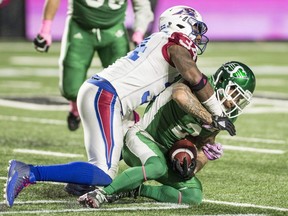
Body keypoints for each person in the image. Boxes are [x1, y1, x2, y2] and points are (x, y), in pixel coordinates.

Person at [4, 6, 235, 207]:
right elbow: (195, 77)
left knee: (136, 137)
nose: (197, 37)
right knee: (105, 172)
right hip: (107, 96)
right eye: (194, 29)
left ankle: (79, 183)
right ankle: (29, 172)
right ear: (180, 24)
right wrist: (216, 111)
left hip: (114, 100)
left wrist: (197, 143)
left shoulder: (164, 45)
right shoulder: (173, 43)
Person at [3, 61, 255, 208]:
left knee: (194, 195)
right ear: (221, 82)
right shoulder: (196, 84)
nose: (234, 102)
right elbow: (180, 95)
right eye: (234, 92)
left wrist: (196, 161)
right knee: (153, 166)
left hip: (164, 154)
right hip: (140, 137)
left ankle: (133, 190)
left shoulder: (224, 116)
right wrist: (211, 118)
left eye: (240, 100)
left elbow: (199, 147)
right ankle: (102, 194)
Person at [33, 0, 154, 131]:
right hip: (80, 27)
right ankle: (75, 109)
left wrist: (139, 31)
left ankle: (126, 122)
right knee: (71, 88)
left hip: (114, 29)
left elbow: (142, 5)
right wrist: (45, 29)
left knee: (123, 84)